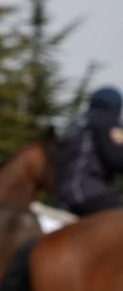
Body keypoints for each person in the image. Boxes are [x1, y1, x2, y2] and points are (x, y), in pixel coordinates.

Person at [55, 86, 123, 216]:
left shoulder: (77, 122)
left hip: (64, 192)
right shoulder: (106, 121)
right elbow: (116, 158)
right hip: (88, 192)